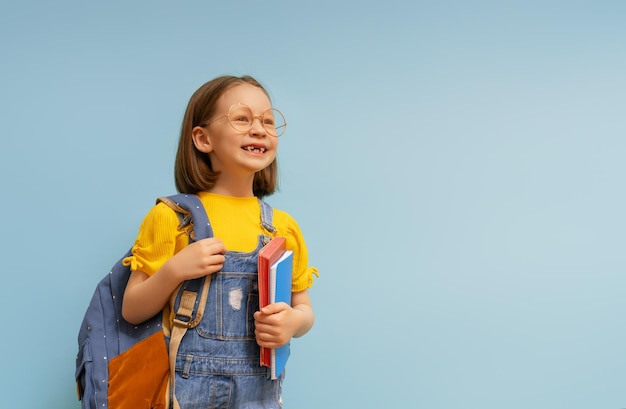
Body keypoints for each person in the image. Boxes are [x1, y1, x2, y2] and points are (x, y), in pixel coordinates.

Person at [121, 75, 318, 408]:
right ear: (202, 138)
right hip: (186, 390)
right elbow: (131, 310)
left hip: (259, 393)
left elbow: (304, 309)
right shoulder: (171, 217)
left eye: (268, 121)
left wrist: (293, 323)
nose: (259, 129)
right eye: (242, 118)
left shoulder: (282, 228)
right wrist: (174, 271)